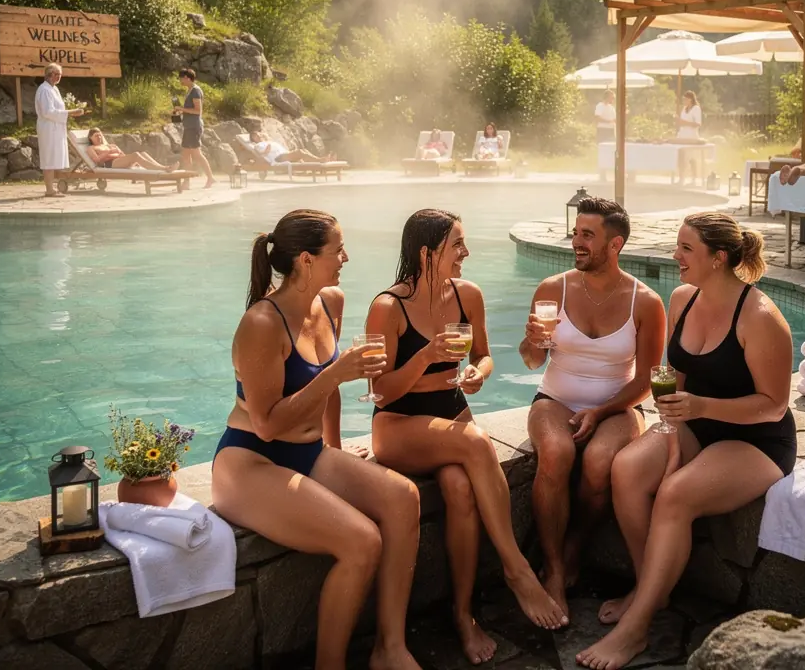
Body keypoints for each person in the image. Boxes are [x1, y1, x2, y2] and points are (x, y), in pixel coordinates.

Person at [577, 212, 795, 670]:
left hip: (755, 439)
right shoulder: (682, 299)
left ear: (718, 258)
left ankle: (634, 631)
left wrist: (699, 409)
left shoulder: (760, 317)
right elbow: (675, 379)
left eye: (686, 249)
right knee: (628, 468)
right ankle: (647, 589)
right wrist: (673, 428)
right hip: (695, 424)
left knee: (675, 495)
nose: (675, 256)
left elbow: (773, 404)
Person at [211, 209, 423, 670]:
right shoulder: (262, 323)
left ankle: (389, 648)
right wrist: (336, 374)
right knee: (362, 541)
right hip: (252, 461)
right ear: (306, 259)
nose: (346, 257)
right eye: (337, 249)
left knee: (403, 497)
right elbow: (267, 424)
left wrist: (338, 454)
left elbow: (325, 398)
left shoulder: (331, 302)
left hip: (308, 452)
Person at [368, 209, 567, 662]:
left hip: (451, 417)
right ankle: (516, 568)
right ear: (426, 252)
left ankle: (463, 615)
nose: (466, 253)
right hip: (398, 427)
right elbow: (379, 393)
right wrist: (427, 359)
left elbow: (483, 355)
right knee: (477, 443)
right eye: (457, 244)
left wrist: (477, 373)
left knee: (460, 487)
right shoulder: (388, 307)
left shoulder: (468, 295)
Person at [522, 196, 666, 617]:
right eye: (576, 233)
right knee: (556, 451)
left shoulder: (646, 302)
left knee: (601, 459)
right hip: (555, 398)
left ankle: (575, 545)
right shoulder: (553, 289)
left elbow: (646, 381)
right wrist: (534, 341)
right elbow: (532, 361)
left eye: (588, 235)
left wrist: (601, 412)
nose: (576, 242)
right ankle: (552, 568)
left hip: (619, 404)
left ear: (615, 244)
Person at [35, 63, 84, 197]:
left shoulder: (54, 89)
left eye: (59, 74)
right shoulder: (44, 90)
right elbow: (47, 112)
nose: (58, 77)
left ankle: (52, 187)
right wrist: (71, 112)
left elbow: (59, 109)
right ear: (49, 75)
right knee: (49, 158)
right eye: (56, 74)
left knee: (55, 156)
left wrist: (69, 112)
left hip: (56, 128)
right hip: (48, 128)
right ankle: (49, 189)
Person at [172, 68, 215, 189]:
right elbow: (191, 111)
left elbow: (197, 111)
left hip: (194, 127)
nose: (180, 80)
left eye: (181, 78)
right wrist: (179, 112)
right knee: (185, 155)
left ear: (187, 78)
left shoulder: (196, 91)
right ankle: (187, 182)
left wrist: (182, 109)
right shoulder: (190, 90)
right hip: (188, 126)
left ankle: (211, 178)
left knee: (197, 154)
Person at [86, 127, 179, 172]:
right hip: (109, 164)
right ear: (91, 138)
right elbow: (97, 161)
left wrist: (115, 151)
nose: (99, 137)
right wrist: (109, 152)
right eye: (96, 136)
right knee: (135, 155)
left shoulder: (109, 145)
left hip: (118, 161)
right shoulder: (91, 148)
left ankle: (162, 167)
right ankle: (164, 169)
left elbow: (122, 155)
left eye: (100, 135)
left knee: (142, 153)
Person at [247, 130, 337, 165]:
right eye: (257, 135)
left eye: (259, 134)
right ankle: (321, 160)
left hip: (283, 155)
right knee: (300, 152)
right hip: (278, 158)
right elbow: (263, 154)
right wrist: (268, 147)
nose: (260, 135)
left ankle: (320, 160)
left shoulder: (267, 141)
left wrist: (267, 140)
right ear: (254, 138)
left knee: (303, 151)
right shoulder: (258, 145)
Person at [675, 91, 703, 184]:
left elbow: (698, 124)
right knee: (681, 157)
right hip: (682, 136)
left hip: (692, 137)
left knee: (692, 158)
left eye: (686, 99)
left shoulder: (696, 109)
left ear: (691, 99)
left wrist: (684, 122)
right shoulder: (684, 109)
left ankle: (694, 178)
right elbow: (682, 122)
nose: (684, 101)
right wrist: (678, 121)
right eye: (683, 99)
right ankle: (681, 178)